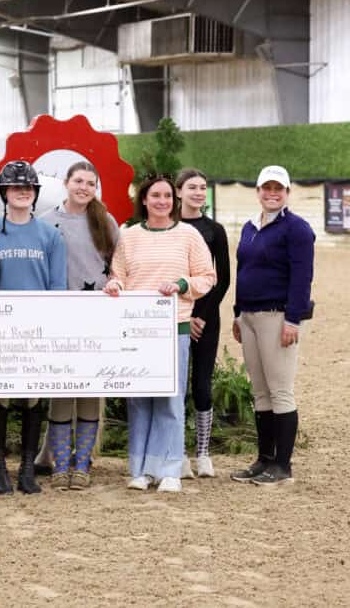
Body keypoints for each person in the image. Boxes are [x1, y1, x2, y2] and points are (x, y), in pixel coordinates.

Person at [104, 175, 216, 493]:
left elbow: (207, 276)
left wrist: (182, 285)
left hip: (174, 327)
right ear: (144, 199)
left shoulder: (188, 235)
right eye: (156, 195)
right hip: (137, 329)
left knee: (170, 398)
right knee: (139, 400)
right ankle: (140, 469)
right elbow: (120, 273)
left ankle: (169, 468)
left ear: (174, 200)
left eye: (167, 196)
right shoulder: (129, 236)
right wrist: (116, 285)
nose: (162, 201)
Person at [0, 161, 67, 496]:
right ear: (4, 192)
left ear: (35, 194)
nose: (22, 192)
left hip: (35, 328)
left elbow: (57, 286)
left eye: (28, 188)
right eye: (16, 187)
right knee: (0, 398)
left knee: (32, 399)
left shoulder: (50, 235)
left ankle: (27, 470)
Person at [36, 161, 119, 490]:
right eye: (78, 181)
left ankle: (82, 463)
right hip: (58, 316)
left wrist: (115, 284)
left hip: (95, 316)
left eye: (90, 183)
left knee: (89, 389)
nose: (84, 187)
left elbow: (118, 264)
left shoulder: (105, 221)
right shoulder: (46, 223)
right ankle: (58, 465)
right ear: (66, 183)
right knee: (61, 391)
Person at [231, 165, 314, 486]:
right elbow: (243, 271)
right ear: (258, 191)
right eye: (266, 188)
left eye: (278, 188)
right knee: (260, 392)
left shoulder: (297, 229)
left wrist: (293, 318)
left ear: (287, 193)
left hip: (278, 316)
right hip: (249, 316)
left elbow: (302, 277)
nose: (272, 193)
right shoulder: (251, 227)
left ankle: (282, 465)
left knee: (280, 391)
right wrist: (238, 313)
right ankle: (263, 459)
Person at [176, 168, 230, 478]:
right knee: (178, 386)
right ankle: (179, 451)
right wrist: (184, 314)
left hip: (206, 315)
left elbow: (220, 279)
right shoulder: (170, 227)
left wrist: (201, 316)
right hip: (176, 315)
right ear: (179, 192)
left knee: (202, 385)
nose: (198, 192)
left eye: (202, 187)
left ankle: (203, 452)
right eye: (192, 187)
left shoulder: (215, 230)